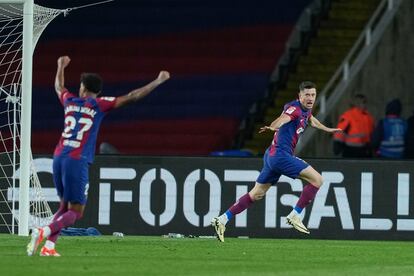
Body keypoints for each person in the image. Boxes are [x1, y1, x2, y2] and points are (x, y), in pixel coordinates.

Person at [27, 56, 170, 256]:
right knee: (76, 212)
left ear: (83, 89)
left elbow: (59, 86)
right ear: (96, 92)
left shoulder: (69, 100)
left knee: (64, 206)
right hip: (77, 160)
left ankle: (49, 247)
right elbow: (132, 96)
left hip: (58, 156)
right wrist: (158, 81)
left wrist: (60, 66)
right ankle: (44, 231)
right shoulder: (99, 104)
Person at [211, 81, 341, 241]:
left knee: (257, 194)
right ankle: (295, 215)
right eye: (307, 95)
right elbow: (283, 119)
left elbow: (311, 120)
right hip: (281, 156)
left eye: (313, 95)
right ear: (299, 96)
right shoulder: (294, 109)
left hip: (272, 155)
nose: (310, 98)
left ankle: (222, 219)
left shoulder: (305, 110)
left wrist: (327, 129)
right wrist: (273, 126)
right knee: (317, 180)